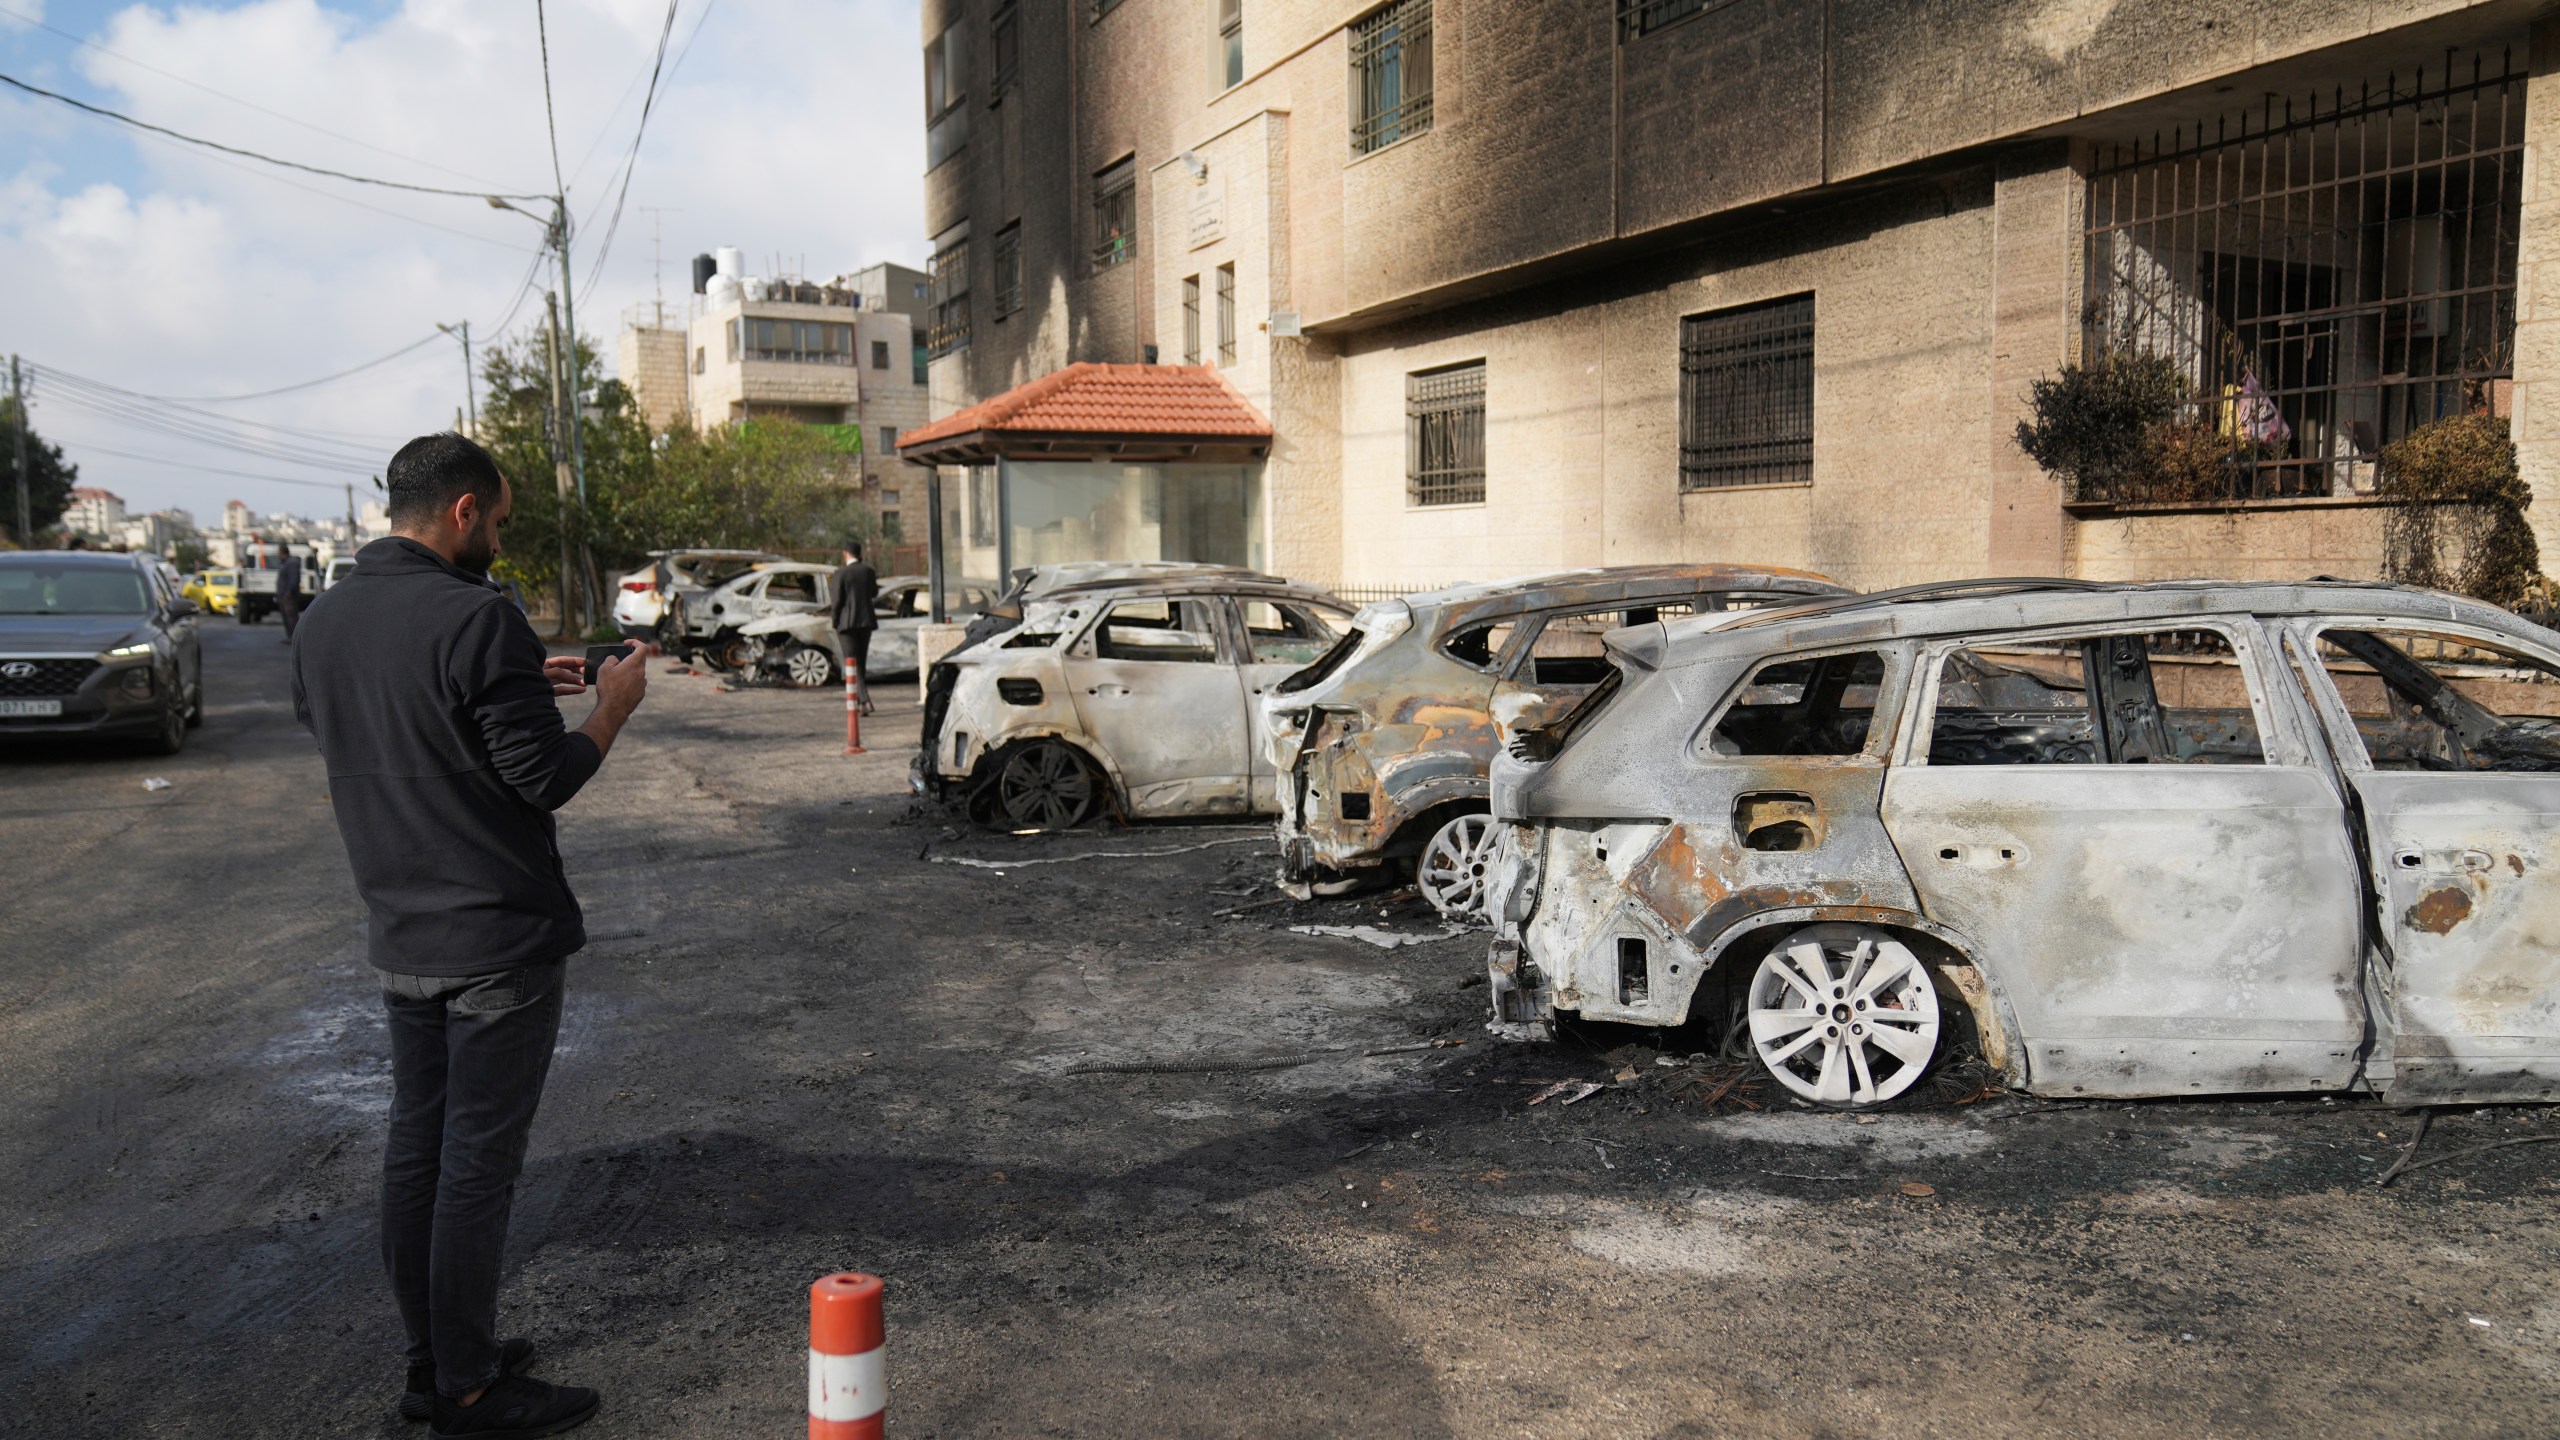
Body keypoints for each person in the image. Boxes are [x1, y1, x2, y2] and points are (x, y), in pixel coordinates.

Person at [292, 432, 646, 1439]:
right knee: (476, 1166)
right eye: (496, 518)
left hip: (400, 928)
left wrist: (531, 686)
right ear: (461, 510)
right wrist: (609, 708)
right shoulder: (476, 616)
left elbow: (393, 728)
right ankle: (469, 1389)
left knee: (419, 1151)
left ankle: (437, 1358)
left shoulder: (321, 621)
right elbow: (546, 778)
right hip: (495, 934)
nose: (499, 535)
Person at [829, 540, 879, 715]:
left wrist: (834, 621)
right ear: (860, 553)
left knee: (851, 663)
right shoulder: (868, 572)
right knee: (860, 663)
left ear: (845, 554)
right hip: (865, 622)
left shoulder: (840, 573)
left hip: (846, 624)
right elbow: (874, 593)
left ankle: (864, 701)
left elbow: (836, 601)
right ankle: (859, 703)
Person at [276, 548, 305, 643]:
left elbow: (293, 580)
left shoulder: (291, 563)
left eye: (279, 553)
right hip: (284, 596)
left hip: (289, 596)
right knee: (287, 617)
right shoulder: (285, 563)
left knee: (291, 617)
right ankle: (290, 636)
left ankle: (294, 637)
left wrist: (288, 592)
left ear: (283, 553)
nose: (278, 555)